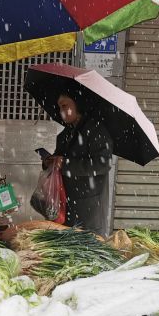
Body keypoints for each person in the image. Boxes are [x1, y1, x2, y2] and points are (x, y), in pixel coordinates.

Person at [44, 89, 114, 234]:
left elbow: (102, 164)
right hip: (65, 204)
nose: (61, 111)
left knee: (86, 250)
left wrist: (65, 164)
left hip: (89, 209)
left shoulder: (96, 131)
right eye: (59, 107)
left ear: (78, 105)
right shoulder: (65, 135)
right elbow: (60, 160)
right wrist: (50, 162)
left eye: (65, 106)